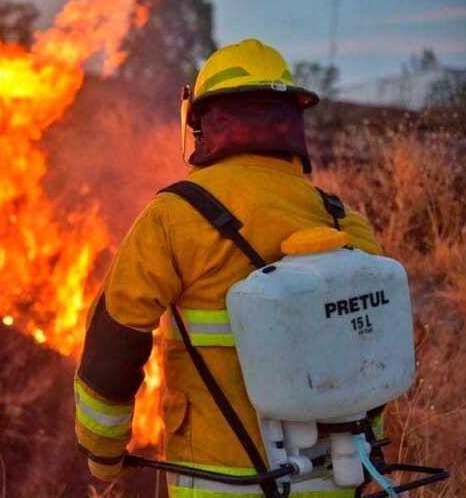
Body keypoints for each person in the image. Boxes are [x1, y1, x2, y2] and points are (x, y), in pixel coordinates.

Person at [74, 39, 385, 497]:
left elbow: (114, 338)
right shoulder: (344, 221)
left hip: (218, 485)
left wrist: (103, 455)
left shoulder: (176, 217)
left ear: (203, 125)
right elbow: (374, 357)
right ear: (291, 122)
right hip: (334, 484)